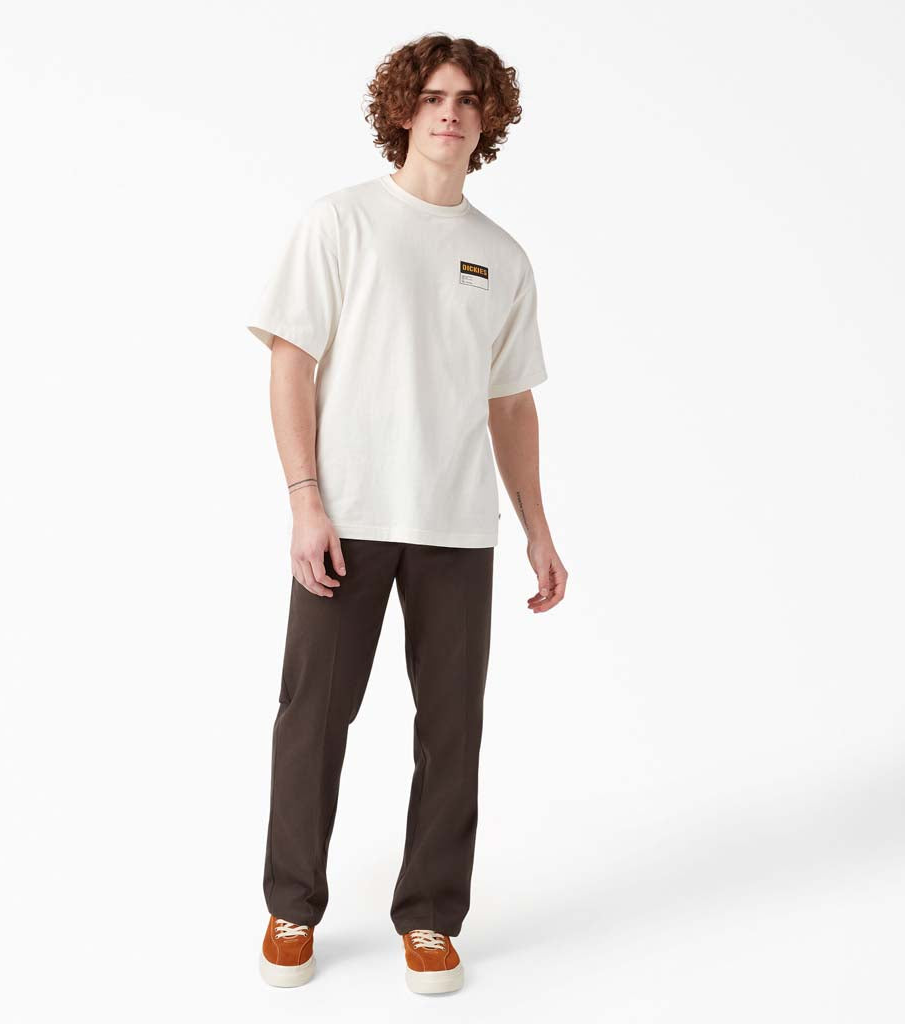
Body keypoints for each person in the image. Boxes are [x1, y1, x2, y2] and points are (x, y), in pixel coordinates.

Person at [246, 32, 567, 995]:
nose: (449, 113)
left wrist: (538, 529)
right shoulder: (340, 223)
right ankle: (291, 906)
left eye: (467, 99)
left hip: (457, 527)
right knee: (313, 718)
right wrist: (305, 503)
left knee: (452, 728)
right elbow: (290, 363)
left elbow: (511, 403)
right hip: (345, 518)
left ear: (488, 118)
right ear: (403, 110)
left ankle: (430, 917)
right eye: (432, 97)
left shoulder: (500, 257)